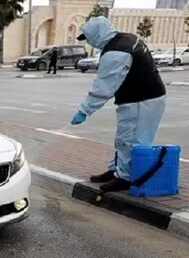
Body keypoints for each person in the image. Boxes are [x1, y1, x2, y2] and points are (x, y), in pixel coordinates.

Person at [70, 16, 167, 192]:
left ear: (97, 34)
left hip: (141, 100)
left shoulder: (117, 53)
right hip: (144, 98)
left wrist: (84, 111)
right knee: (124, 138)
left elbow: (104, 87)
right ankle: (117, 170)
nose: (89, 42)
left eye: (89, 38)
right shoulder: (126, 39)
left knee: (130, 140)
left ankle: (125, 178)